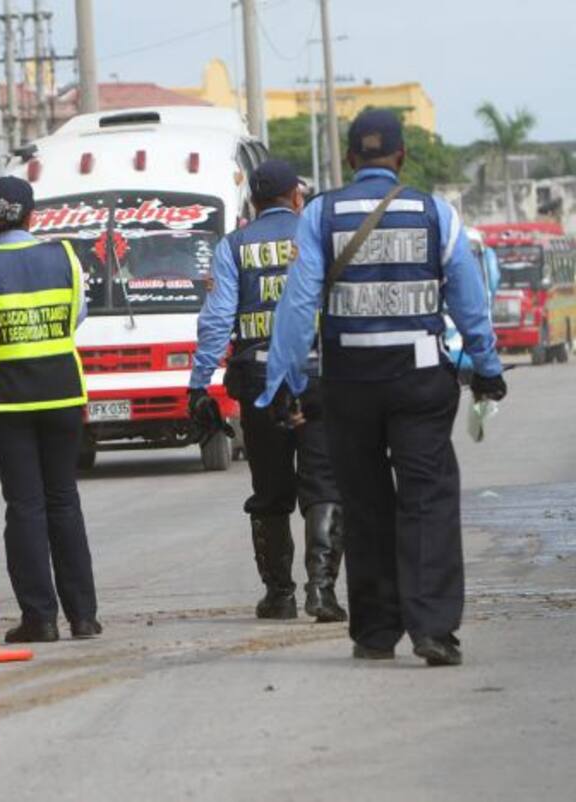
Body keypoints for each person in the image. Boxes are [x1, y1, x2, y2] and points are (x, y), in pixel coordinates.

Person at [257, 109, 508, 667]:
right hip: (420, 381)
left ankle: (374, 633)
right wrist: (487, 367)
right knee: (428, 501)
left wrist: (287, 381)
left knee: (366, 503)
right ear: (400, 157)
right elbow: (470, 303)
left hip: (349, 384)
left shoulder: (320, 215)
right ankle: (433, 630)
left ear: (349, 159)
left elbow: (297, 308)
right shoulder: (435, 214)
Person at [0, 176, 101, 643]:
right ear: (33, 216)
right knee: (64, 501)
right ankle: (84, 616)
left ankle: (40, 618)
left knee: (26, 505)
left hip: (6, 401)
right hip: (62, 397)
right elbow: (78, 315)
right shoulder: (64, 259)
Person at [189, 159, 347, 624]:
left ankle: (280, 595)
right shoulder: (317, 237)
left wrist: (199, 383)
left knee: (270, 489)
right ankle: (322, 592)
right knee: (323, 483)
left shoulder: (233, 246)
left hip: (258, 382)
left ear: (252, 203)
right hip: (318, 378)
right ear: (297, 197)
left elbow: (217, 321)